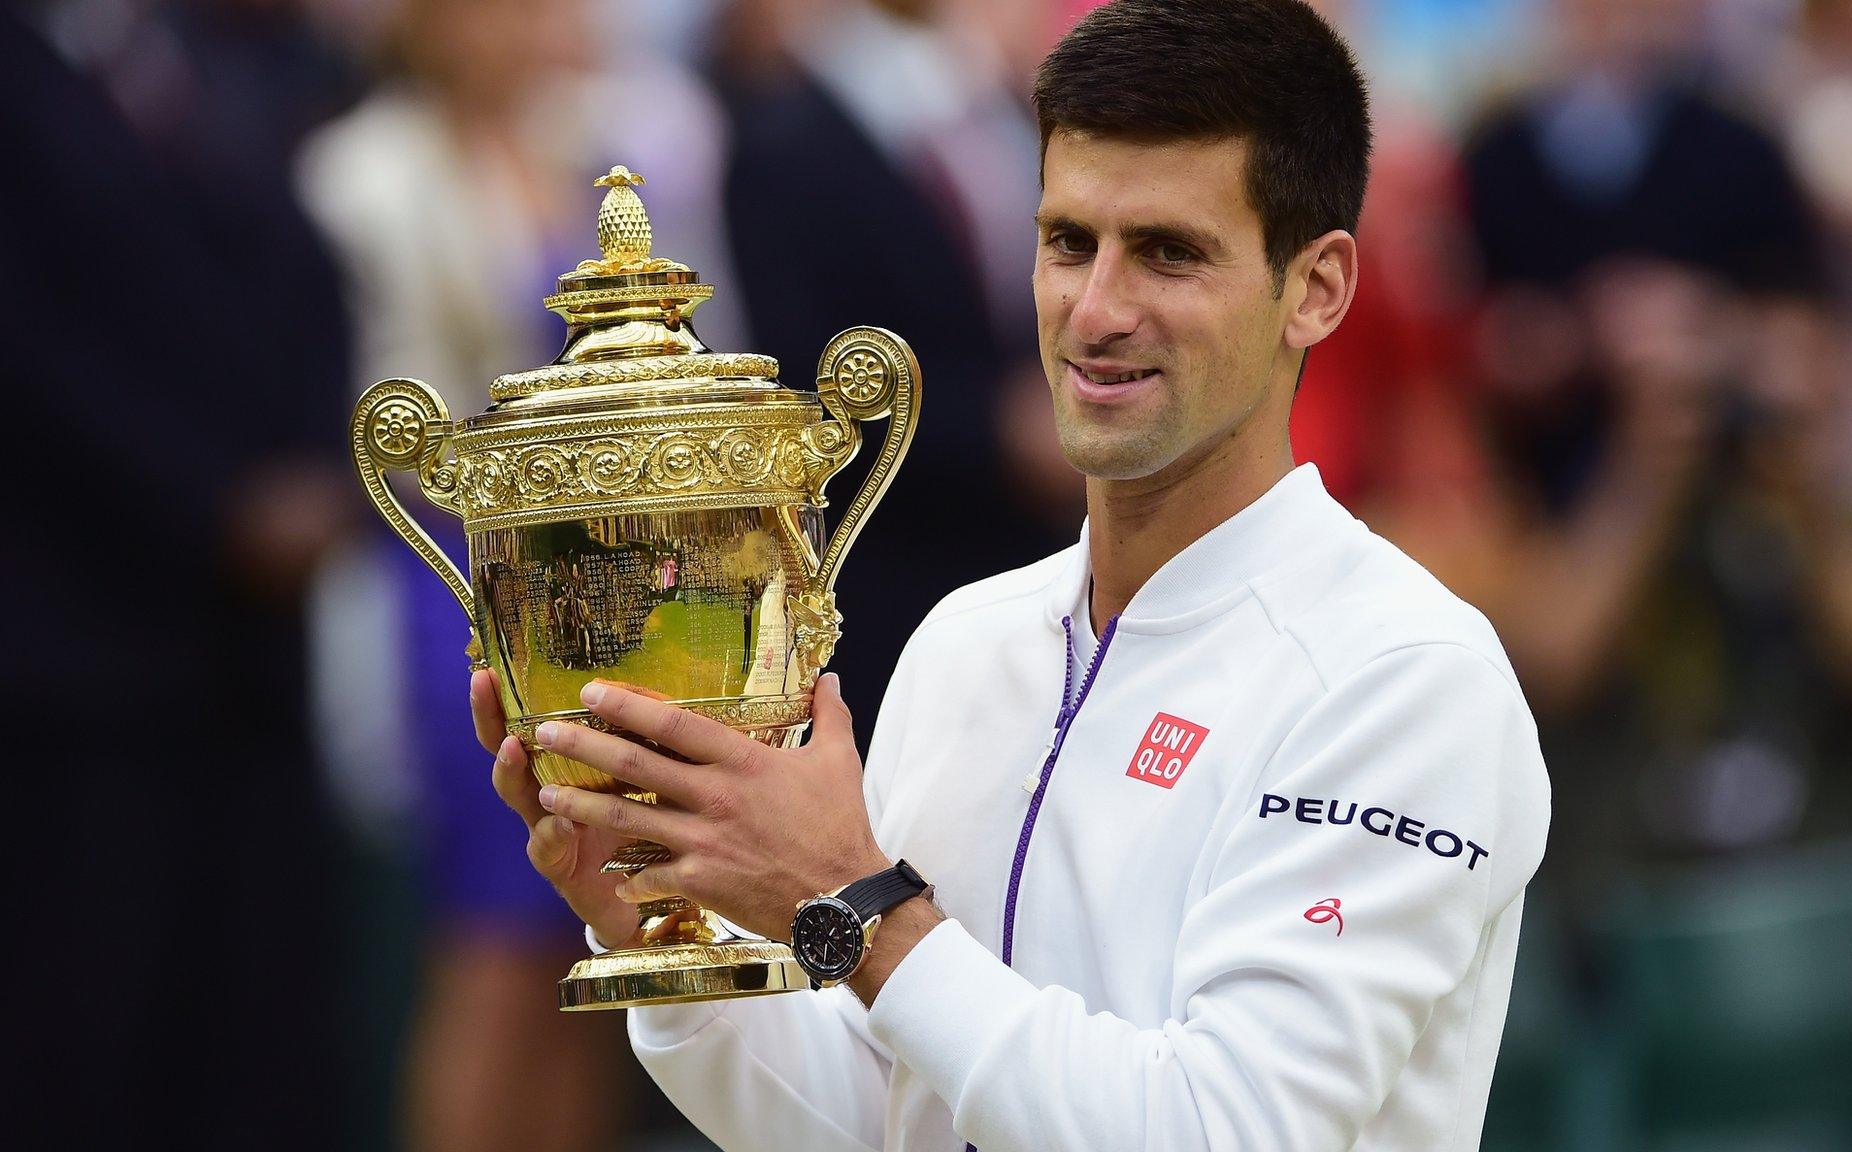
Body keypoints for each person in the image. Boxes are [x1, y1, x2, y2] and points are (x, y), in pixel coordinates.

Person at [471, 2, 1549, 1149]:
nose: (1095, 311)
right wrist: (656, 931)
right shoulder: (966, 640)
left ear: (1317, 288)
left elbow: (1223, 1129)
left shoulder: (1404, 678)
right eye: (1068, 242)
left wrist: (852, 903)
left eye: (1169, 253)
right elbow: (885, 1117)